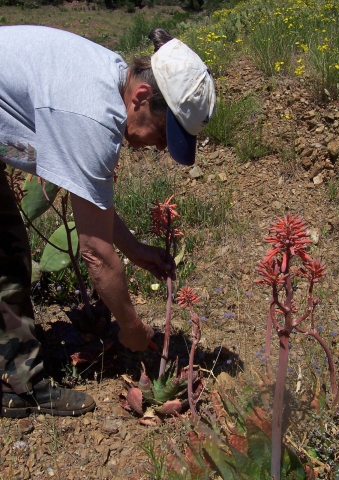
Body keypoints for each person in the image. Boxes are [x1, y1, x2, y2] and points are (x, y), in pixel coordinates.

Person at [0, 25, 216, 418]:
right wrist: (131, 326)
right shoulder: (92, 117)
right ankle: (24, 385)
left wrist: (135, 250)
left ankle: (18, 377)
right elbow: (96, 255)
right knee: (5, 255)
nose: (164, 147)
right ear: (141, 97)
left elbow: (89, 201)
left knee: (7, 253)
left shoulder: (108, 77)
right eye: (166, 133)